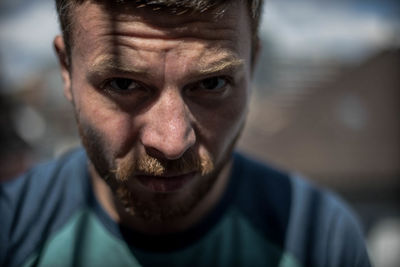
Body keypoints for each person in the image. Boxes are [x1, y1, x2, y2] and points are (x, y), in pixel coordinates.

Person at [0, 0, 371, 266]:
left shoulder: (319, 236)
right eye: (124, 84)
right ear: (66, 69)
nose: (172, 142)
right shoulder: (11, 232)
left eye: (211, 83)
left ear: (253, 65)